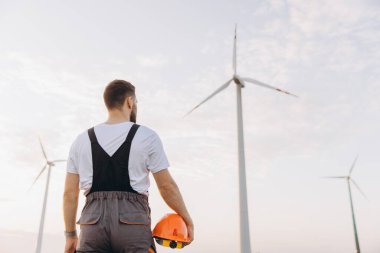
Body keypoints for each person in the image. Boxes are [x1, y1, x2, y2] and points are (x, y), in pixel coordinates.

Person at [63, 79, 194, 253]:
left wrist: (71, 235)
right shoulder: (147, 136)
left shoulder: (81, 140)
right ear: (129, 101)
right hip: (133, 223)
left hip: (92, 224)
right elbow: (167, 187)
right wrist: (187, 220)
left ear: (107, 103)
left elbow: (69, 194)